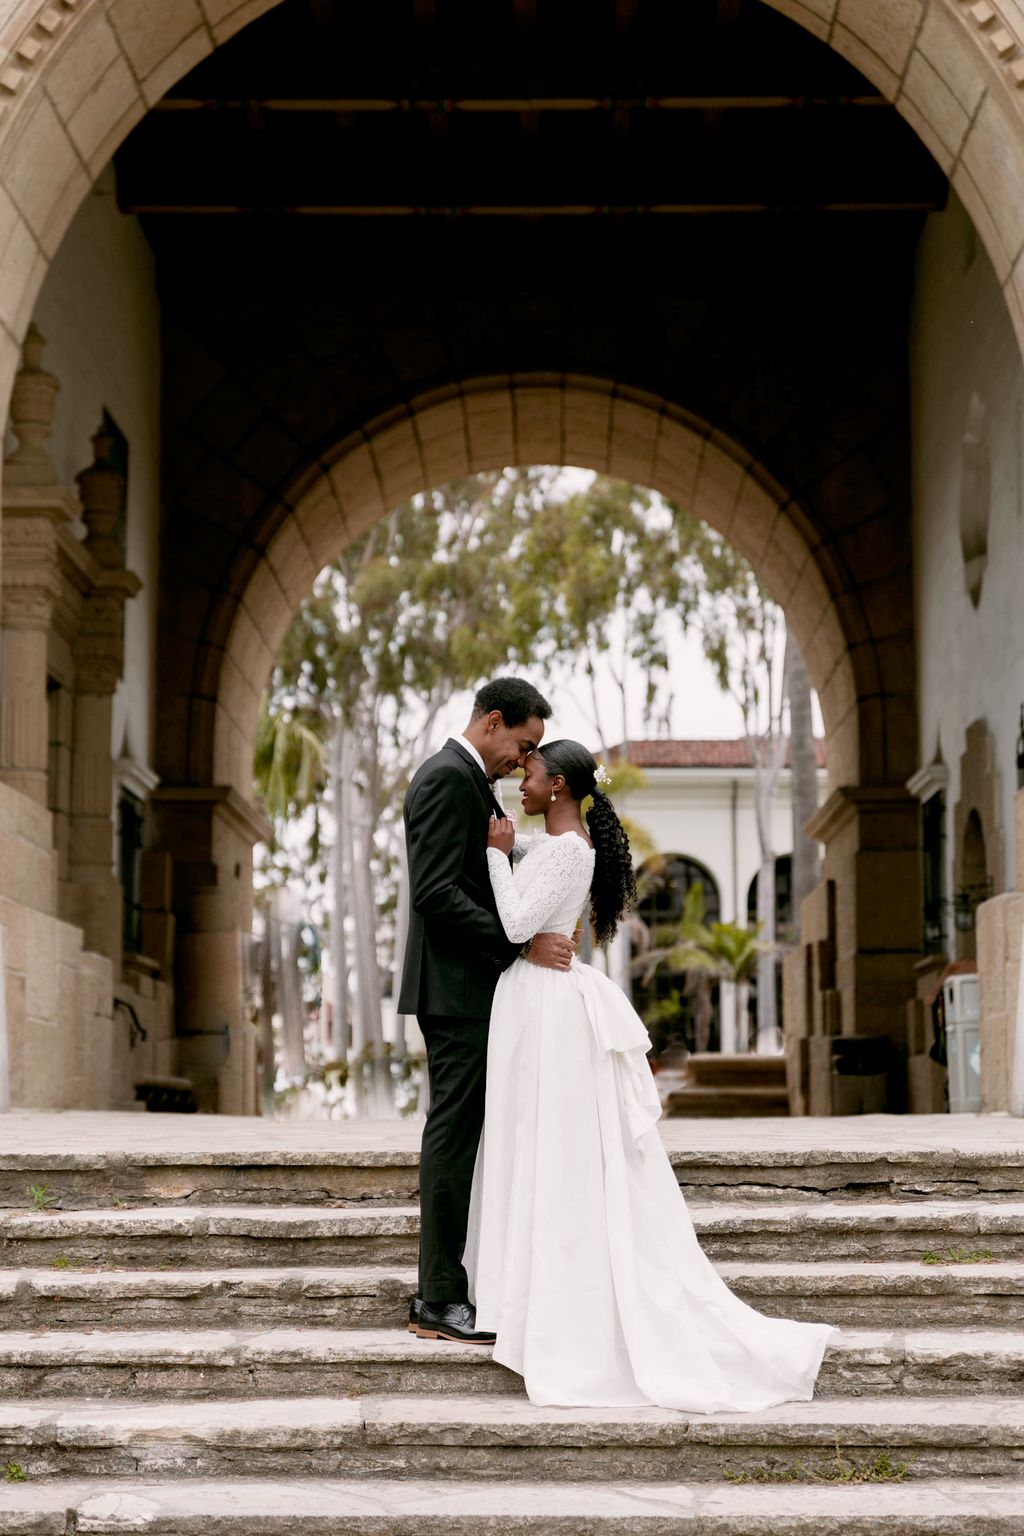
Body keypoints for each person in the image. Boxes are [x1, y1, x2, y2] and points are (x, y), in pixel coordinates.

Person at [464, 738, 837, 1410]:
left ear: (559, 788)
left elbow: (518, 919)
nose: (522, 780)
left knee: (544, 1144)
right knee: (527, 1142)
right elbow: (530, 899)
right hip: (531, 999)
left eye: (532, 773)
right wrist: (508, 851)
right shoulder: (553, 846)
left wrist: (495, 855)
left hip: (544, 1005)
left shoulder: (572, 849)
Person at [398, 678, 575, 1345]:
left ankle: (448, 1290)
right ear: (493, 721)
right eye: (523, 745)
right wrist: (521, 941)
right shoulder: (447, 778)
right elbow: (437, 894)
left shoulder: (469, 783)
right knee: (452, 1137)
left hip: (467, 988)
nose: (522, 761)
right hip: (457, 991)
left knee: (462, 1137)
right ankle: (439, 1298)